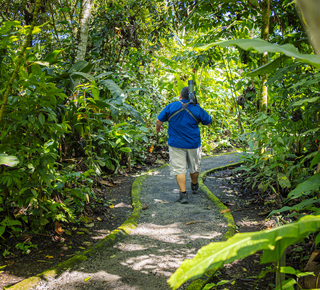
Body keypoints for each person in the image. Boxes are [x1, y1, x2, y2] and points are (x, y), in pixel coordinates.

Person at [156, 87, 212, 204]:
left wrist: (158, 127)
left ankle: (183, 194)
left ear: (180, 96)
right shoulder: (197, 108)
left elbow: (159, 120)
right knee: (194, 167)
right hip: (193, 144)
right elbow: (208, 122)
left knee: (179, 169)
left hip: (176, 144)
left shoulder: (171, 106)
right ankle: (195, 185)